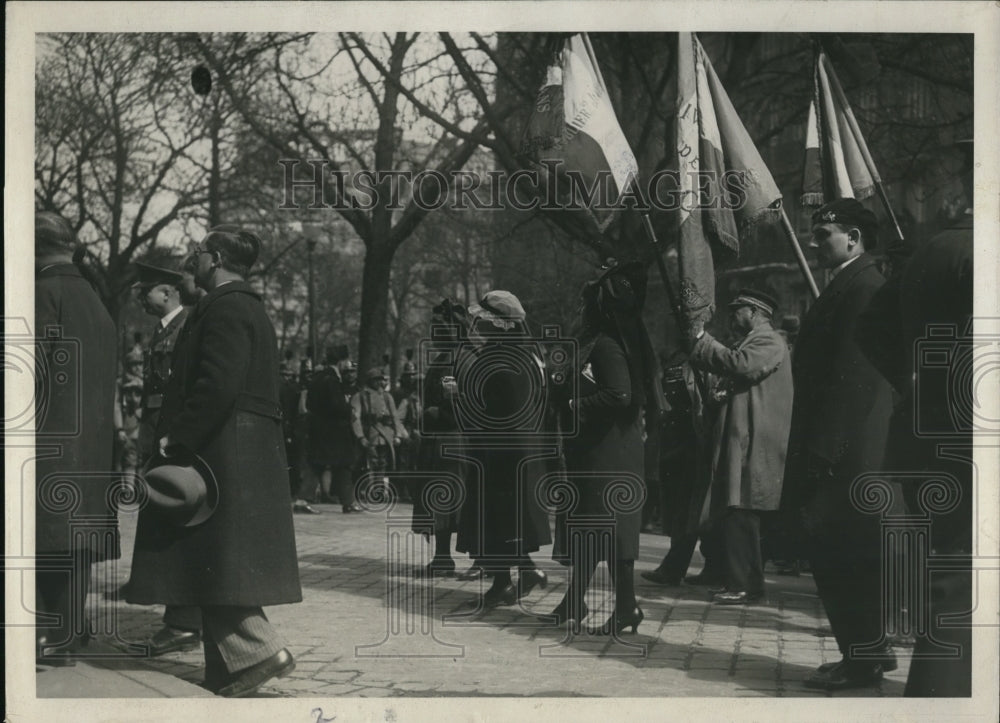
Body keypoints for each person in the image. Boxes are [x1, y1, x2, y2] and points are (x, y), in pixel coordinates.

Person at [126, 225, 302, 697]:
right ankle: (229, 666)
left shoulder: (225, 307)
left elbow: (217, 385)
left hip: (222, 450)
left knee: (215, 556)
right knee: (214, 559)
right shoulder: (242, 306)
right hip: (236, 448)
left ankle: (261, 652)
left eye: (199, 251)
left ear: (217, 257)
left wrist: (175, 439)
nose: (192, 258)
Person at [858, 193, 973, 696]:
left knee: (952, 575)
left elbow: (871, 327)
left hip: (930, 433)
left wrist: (916, 386)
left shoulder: (932, 249)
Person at [780, 198, 896, 691]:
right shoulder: (850, 282)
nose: (813, 242)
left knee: (845, 554)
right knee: (837, 555)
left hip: (845, 451)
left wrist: (823, 453)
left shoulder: (864, 284)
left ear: (854, 237)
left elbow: (855, 380)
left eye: (823, 233)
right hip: (841, 447)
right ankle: (862, 653)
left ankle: (865, 659)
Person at [549, 262, 659, 634]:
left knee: (607, 530)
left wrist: (574, 405)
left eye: (588, 304)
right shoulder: (606, 342)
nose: (583, 310)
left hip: (610, 451)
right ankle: (589, 604)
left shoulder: (608, 346)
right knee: (596, 530)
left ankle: (613, 606)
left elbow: (620, 394)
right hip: (601, 449)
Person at [35, 211, 119, 665]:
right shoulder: (94, 297)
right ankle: (69, 629)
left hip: (47, 438)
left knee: (46, 535)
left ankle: (52, 635)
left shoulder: (44, 291)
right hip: (90, 443)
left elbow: (30, 372)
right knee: (75, 539)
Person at [686, 289, 794, 605]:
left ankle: (747, 585)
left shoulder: (768, 340)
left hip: (754, 442)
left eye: (736, 311)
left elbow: (742, 365)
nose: (732, 317)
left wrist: (703, 340)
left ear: (753, 311)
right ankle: (738, 581)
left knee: (743, 512)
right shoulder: (757, 341)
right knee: (735, 512)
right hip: (744, 439)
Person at [454, 291, 552, 608]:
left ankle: (508, 580)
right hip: (523, 449)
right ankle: (516, 575)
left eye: (483, 320)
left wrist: (461, 400)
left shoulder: (498, 359)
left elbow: (494, 408)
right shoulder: (529, 354)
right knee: (507, 520)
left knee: (494, 518)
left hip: (500, 451)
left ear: (499, 324)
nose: (477, 324)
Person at [131, 260, 205, 655]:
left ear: (167, 291)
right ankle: (179, 616)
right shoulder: (164, 329)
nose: (142, 301)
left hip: (174, 439)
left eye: (146, 293)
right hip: (157, 434)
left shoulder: (189, 325)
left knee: (177, 523)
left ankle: (184, 621)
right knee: (164, 522)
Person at [410, 300, 470, 576]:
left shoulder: (456, 360)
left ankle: (445, 558)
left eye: (439, 326)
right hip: (440, 439)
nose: (434, 331)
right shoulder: (447, 357)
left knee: (445, 501)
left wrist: (433, 412)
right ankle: (442, 556)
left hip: (450, 440)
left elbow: (459, 406)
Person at [303, 345, 361, 513]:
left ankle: (347, 501)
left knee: (326, 463)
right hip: (333, 430)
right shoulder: (332, 379)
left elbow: (310, 403)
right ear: (341, 361)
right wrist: (349, 411)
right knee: (335, 463)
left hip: (320, 428)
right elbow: (336, 405)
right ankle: (347, 502)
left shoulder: (318, 377)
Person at [351, 367, 407, 499]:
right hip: (369, 432)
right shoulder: (360, 396)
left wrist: (398, 434)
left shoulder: (387, 396)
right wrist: (360, 436)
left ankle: (379, 491)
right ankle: (362, 490)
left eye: (380, 380)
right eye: (375, 380)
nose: (378, 383)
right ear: (369, 381)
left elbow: (395, 417)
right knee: (366, 463)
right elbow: (355, 418)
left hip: (385, 434)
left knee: (382, 463)